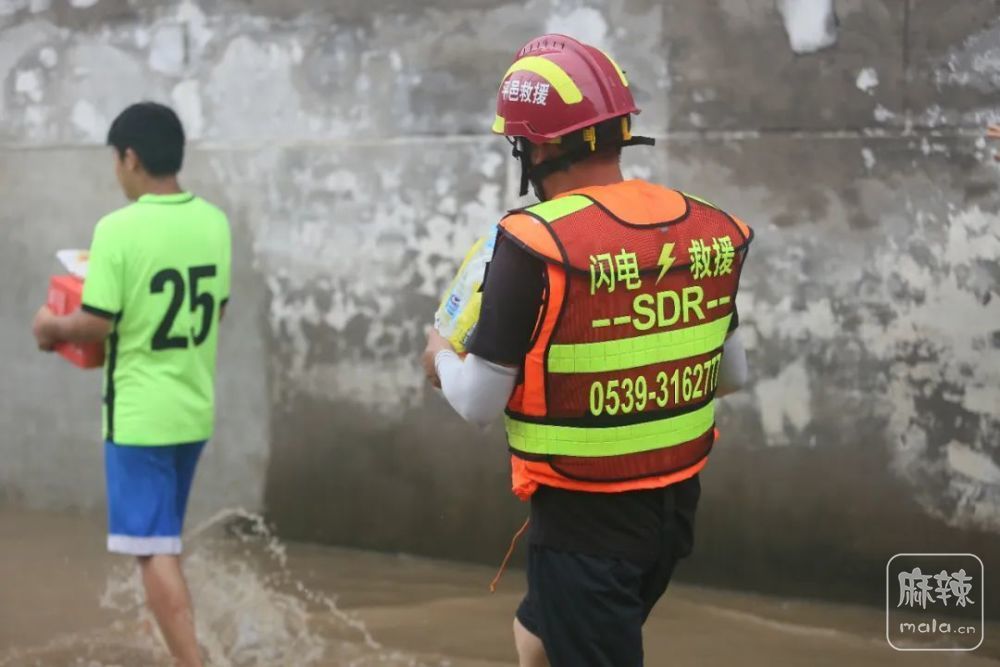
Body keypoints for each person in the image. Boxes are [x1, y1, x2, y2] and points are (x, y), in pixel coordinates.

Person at [422, 35, 753, 666]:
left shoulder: (534, 242)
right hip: (673, 509)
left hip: (583, 525)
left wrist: (438, 355)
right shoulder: (705, 227)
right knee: (536, 637)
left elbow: (478, 404)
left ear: (541, 148)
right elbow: (731, 375)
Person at [32, 102, 231, 667]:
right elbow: (216, 311)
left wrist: (49, 327)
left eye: (116, 161)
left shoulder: (117, 229)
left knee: (150, 550)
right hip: (193, 408)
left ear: (131, 158)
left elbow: (95, 324)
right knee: (163, 539)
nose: (117, 173)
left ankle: (191, 662)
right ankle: (162, 636)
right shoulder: (213, 222)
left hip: (140, 415)